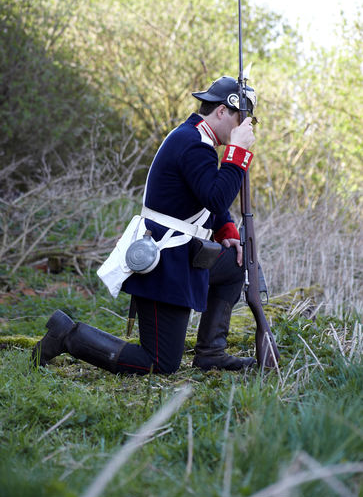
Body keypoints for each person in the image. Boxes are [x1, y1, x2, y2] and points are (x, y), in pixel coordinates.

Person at [32, 76, 258, 375]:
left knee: (234, 265)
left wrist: (225, 228)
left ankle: (211, 353)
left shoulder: (196, 138)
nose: (245, 127)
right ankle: (68, 335)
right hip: (165, 261)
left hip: (182, 253)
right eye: (241, 118)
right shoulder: (193, 144)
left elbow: (204, 197)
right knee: (159, 363)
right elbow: (216, 196)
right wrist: (238, 153)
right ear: (221, 111)